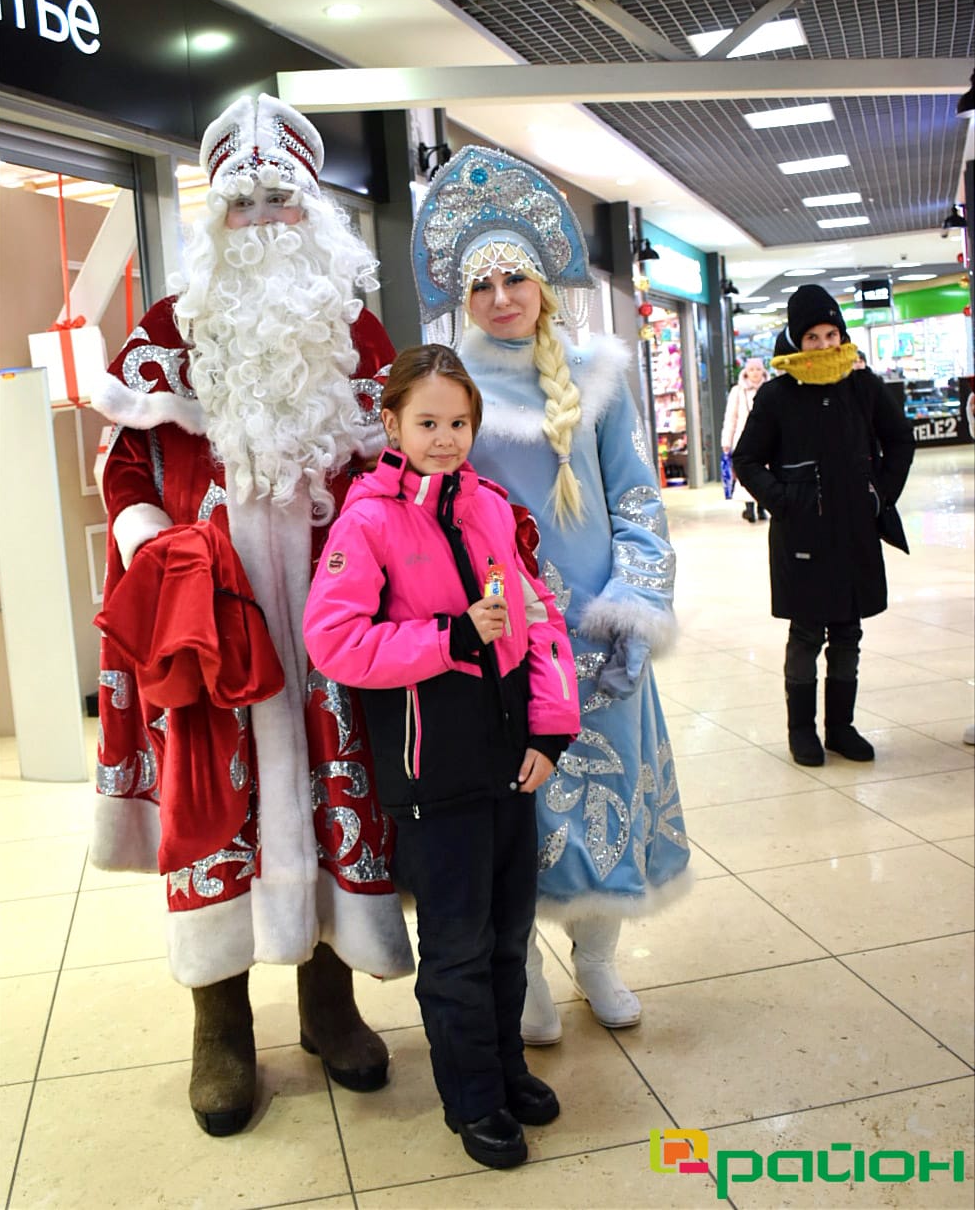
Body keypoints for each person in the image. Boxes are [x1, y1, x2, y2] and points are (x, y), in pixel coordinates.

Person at [90, 93, 413, 1137]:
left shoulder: (355, 332)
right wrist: (154, 540)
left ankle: (330, 1001)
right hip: (211, 619)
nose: (265, 220)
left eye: (283, 200)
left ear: (313, 211)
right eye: (245, 202)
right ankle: (219, 1023)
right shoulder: (166, 331)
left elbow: (394, 460)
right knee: (214, 806)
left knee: (335, 789)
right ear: (215, 216)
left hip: (330, 618)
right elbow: (125, 462)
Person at [409, 144, 691, 1045]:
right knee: (513, 808)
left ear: (542, 283)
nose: (500, 297)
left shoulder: (598, 375)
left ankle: (598, 957)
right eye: (481, 283)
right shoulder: (445, 386)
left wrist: (632, 602)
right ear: (461, 293)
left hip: (596, 632)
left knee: (605, 795)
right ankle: (522, 966)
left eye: (515, 279)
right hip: (498, 638)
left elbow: (637, 499)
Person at [303, 344, 580, 1170]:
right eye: (427, 422)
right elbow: (334, 641)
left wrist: (549, 731)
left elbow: (538, 619)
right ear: (391, 424)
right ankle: (473, 1098)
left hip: (509, 765)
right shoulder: (366, 521)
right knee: (457, 948)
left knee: (508, 937)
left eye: (459, 423)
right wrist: (448, 639)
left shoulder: (487, 506)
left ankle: (506, 1068)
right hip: (431, 775)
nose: (445, 438)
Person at [733, 284, 915, 767]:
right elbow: (746, 459)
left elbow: (900, 439)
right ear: (797, 340)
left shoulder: (863, 386)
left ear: (842, 335)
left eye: (831, 335)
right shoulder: (777, 395)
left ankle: (840, 728)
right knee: (807, 632)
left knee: (849, 631)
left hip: (855, 529)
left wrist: (880, 493)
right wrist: (784, 500)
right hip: (803, 534)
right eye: (812, 337)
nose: (823, 345)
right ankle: (802, 730)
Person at [720, 357, 769, 521]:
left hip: (767, 439)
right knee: (747, 473)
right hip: (743, 439)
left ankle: (762, 507)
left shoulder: (769, 389)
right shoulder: (738, 391)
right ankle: (749, 508)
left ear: (763, 371)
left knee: (766, 473)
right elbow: (730, 417)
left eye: (758, 369)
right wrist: (726, 441)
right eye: (751, 370)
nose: (755, 373)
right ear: (746, 372)